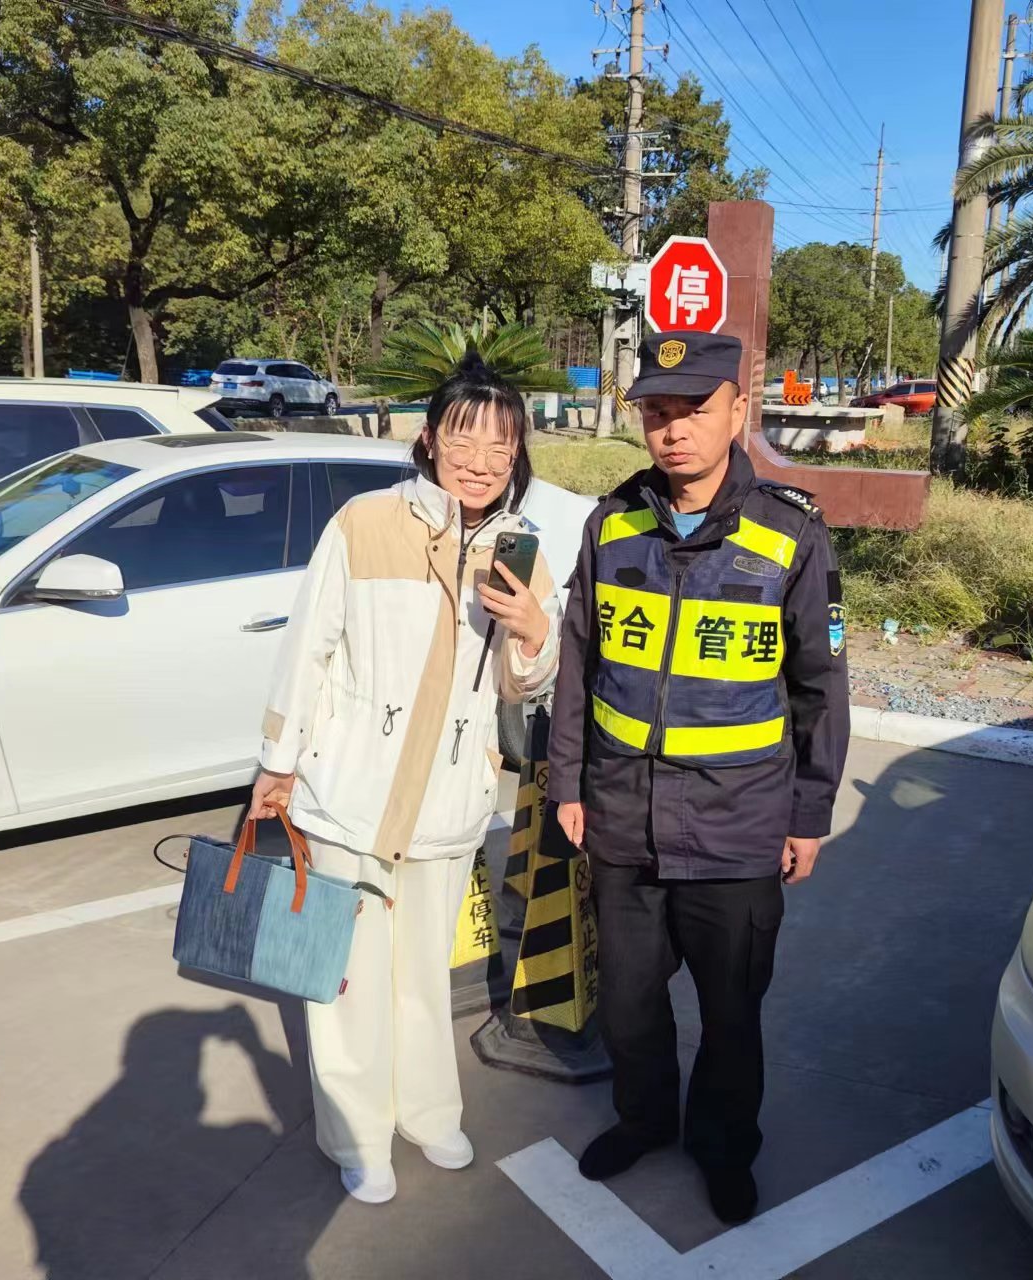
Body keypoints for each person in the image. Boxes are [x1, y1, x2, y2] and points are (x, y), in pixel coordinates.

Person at [548, 331, 849, 1224]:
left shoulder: (790, 534)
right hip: (621, 812)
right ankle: (644, 1120)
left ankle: (722, 1145)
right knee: (630, 1001)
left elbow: (820, 685)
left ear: (738, 413)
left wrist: (810, 812)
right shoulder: (613, 524)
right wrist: (568, 783)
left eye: (694, 410)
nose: (673, 430)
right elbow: (578, 664)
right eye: (658, 412)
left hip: (737, 821)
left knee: (730, 1010)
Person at [249, 353, 561, 1205]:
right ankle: (359, 1135)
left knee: (424, 971)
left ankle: (427, 1112)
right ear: (429, 439)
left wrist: (534, 630)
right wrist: (278, 762)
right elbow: (307, 650)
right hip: (348, 796)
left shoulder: (521, 550)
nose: (481, 462)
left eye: (500, 447)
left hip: (450, 801)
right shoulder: (365, 522)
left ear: (518, 453)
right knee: (348, 979)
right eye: (464, 439)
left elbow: (523, 687)